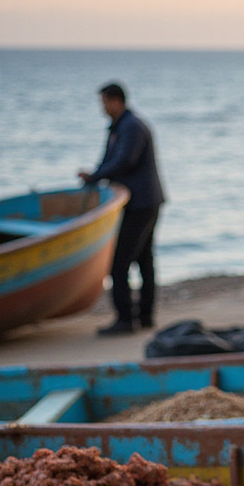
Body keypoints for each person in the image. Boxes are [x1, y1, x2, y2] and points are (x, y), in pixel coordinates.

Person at [78, 83, 166, 335]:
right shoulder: (121, 127)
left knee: (121, 261)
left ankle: (127, 318)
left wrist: (96, 176)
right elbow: (110, 160)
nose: (102, 109)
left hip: (141, 203)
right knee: (143, 258)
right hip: (144, 200)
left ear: (116, 101)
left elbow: (124, 162)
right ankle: (145, 316)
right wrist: (94, 175)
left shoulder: (132, 127)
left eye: (104, 103)